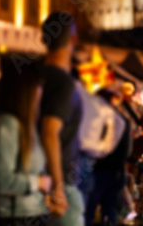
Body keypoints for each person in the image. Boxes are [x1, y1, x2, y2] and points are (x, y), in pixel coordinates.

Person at [0, 64, 52, 225]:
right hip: (11, 216)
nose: (40, 92)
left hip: (27, 213)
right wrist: (39, 182)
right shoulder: (6, 125)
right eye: (37, 86)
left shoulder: (26, 126)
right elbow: (1, 180)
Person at [39, 12, 84, 225]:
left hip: (38, 181)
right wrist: (58, 189)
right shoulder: (63, 83)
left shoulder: (34, 77)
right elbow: (50, 132)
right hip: (60, 183)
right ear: (73, 40)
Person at [85, 89, 131, 226]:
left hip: (100, 171)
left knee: (89, 210)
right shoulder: (123, 120)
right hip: (117, 172)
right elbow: (127, 151)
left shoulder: (98, 120)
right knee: (110, 212)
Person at [121, 82, 143, 160]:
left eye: (128, 94)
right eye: (125, 94)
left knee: (134, 157)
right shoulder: (119, 104)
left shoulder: (137, 103)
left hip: (136, 136)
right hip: (124, 135)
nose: (127, 97)